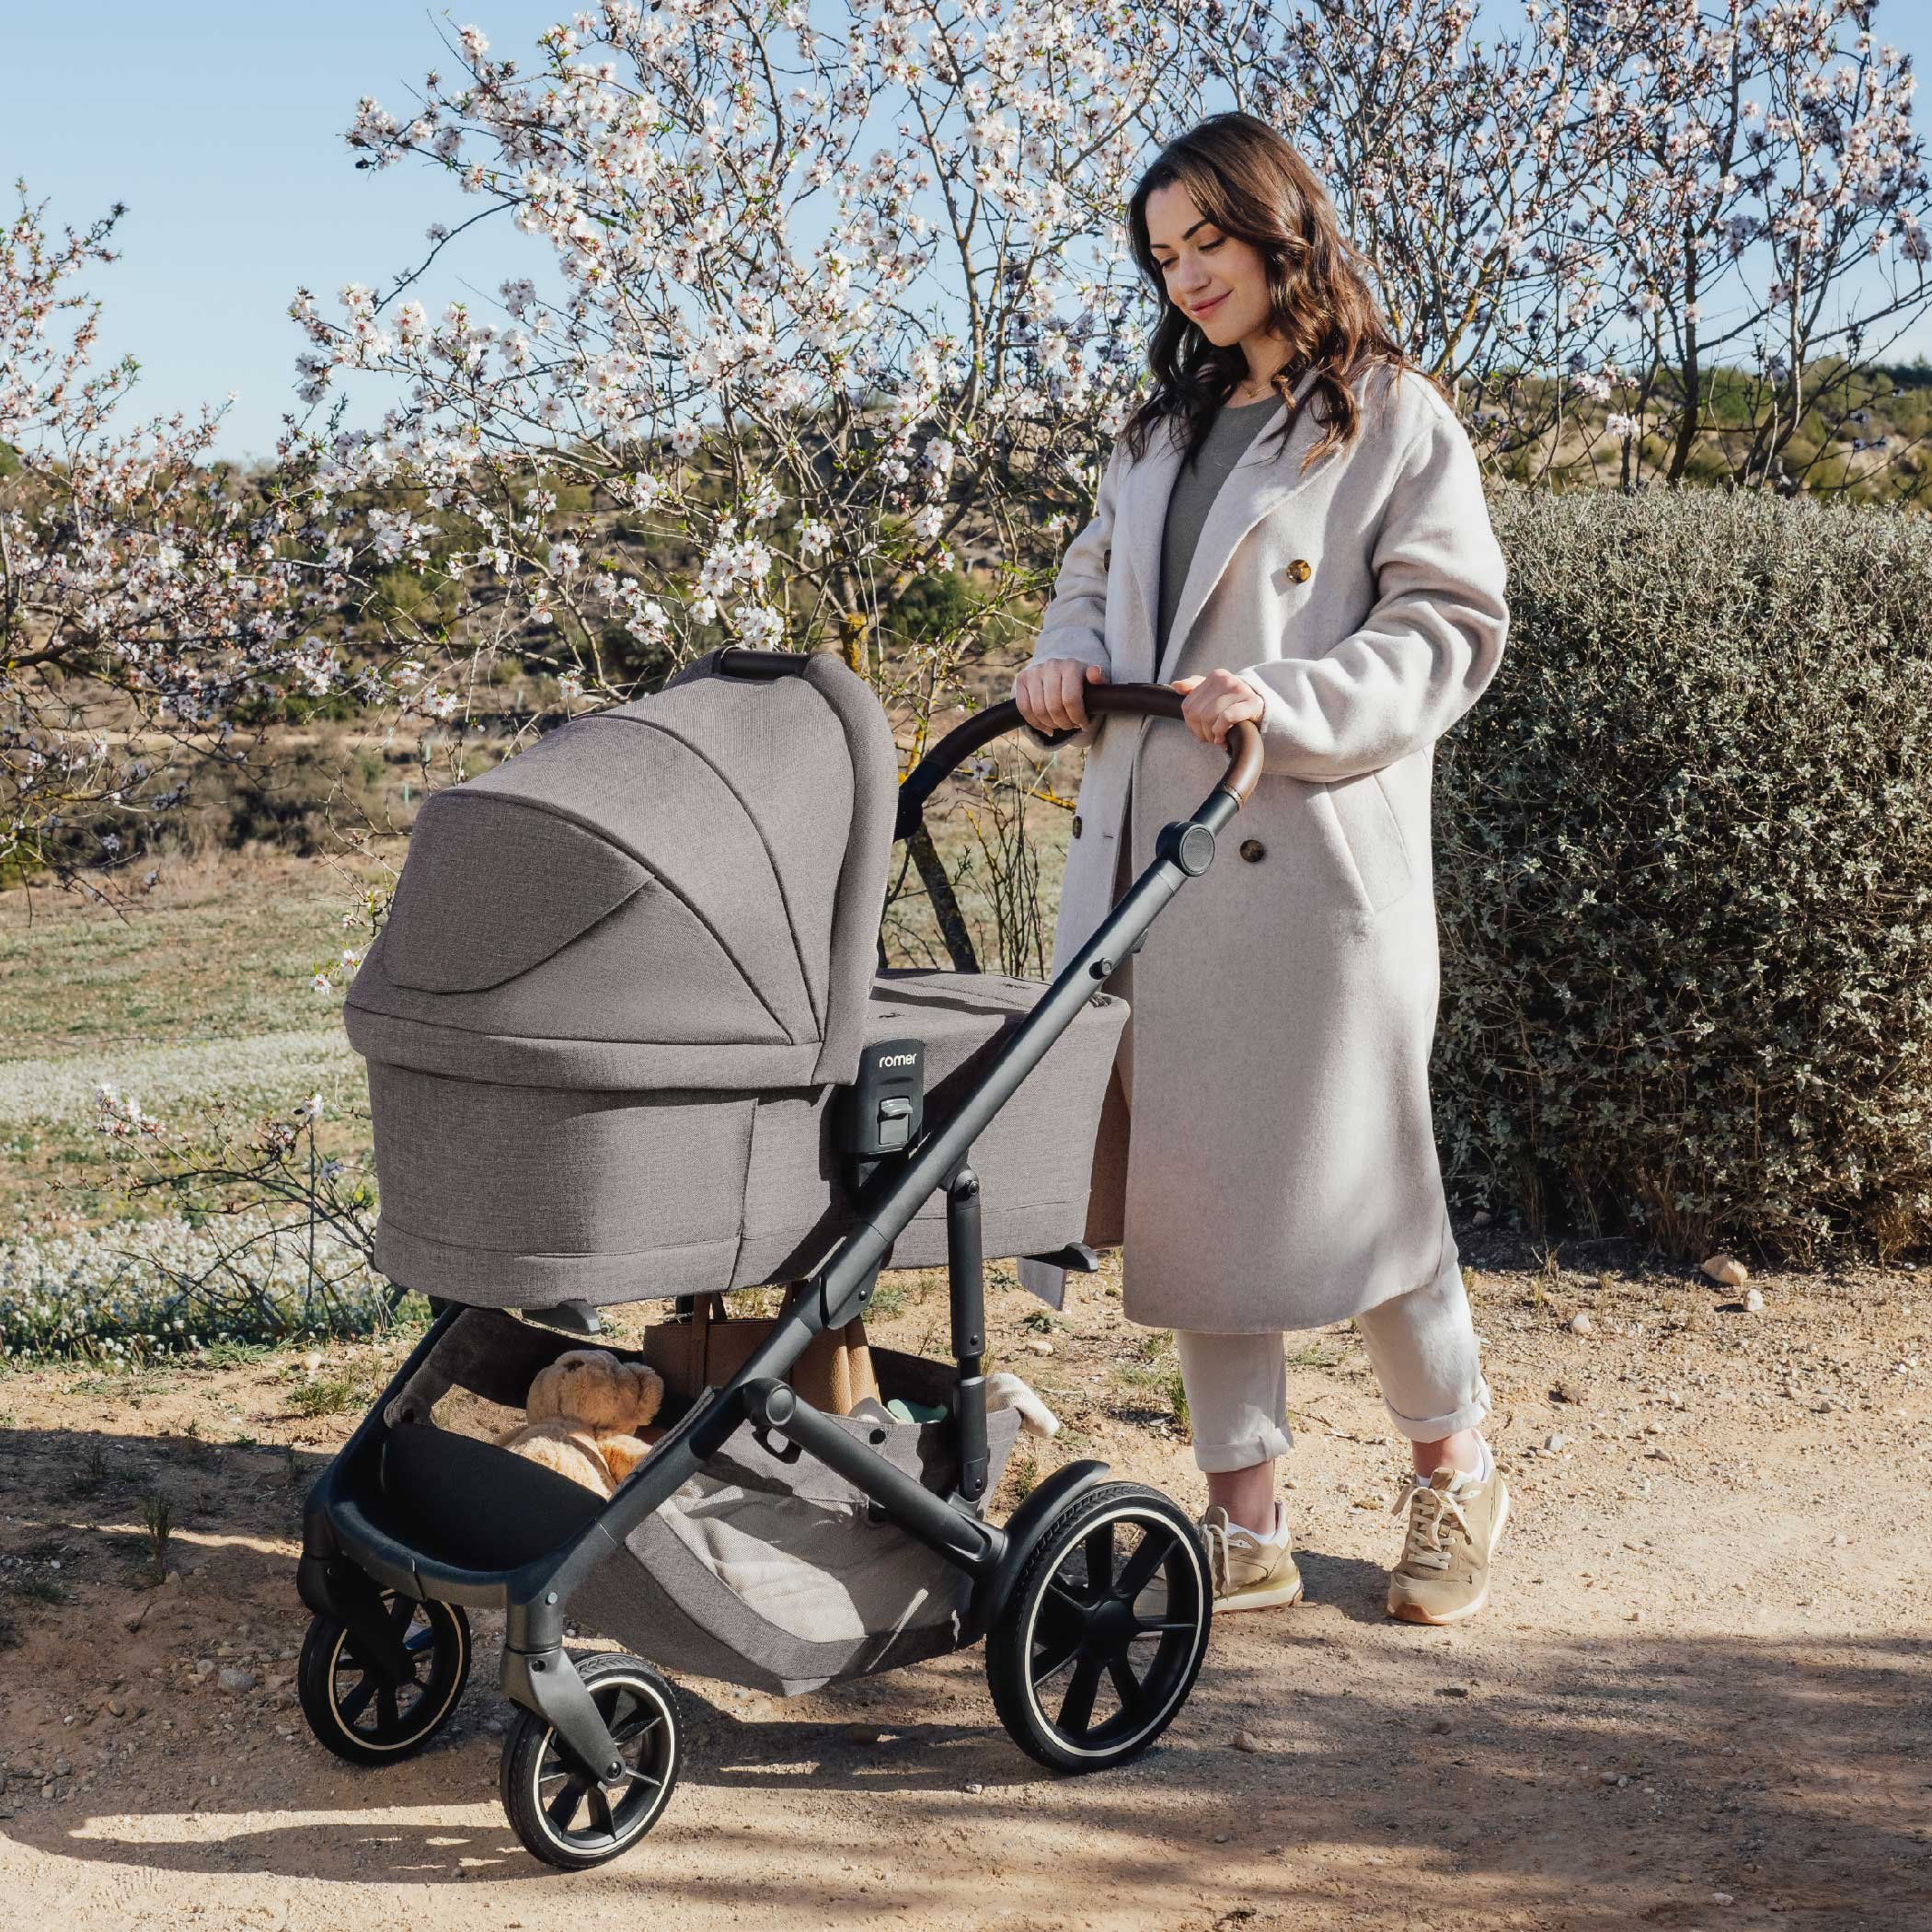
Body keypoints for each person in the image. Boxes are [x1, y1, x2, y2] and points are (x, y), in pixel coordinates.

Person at [1010, 111, 1512, 1626]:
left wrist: (1286, 702)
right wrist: (1066, 655)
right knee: (1192, 1195)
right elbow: (1096, 577)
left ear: (1277, 223)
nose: (1185, 281)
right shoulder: (1158, 431)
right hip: (1148, 869)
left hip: (1307, 867)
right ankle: (1247, 1522)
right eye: (1162, 259)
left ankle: (1454, 1473)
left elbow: (1448, 629)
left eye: (1206, 244)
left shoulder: (1395, 420)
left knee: (1369, 1190)